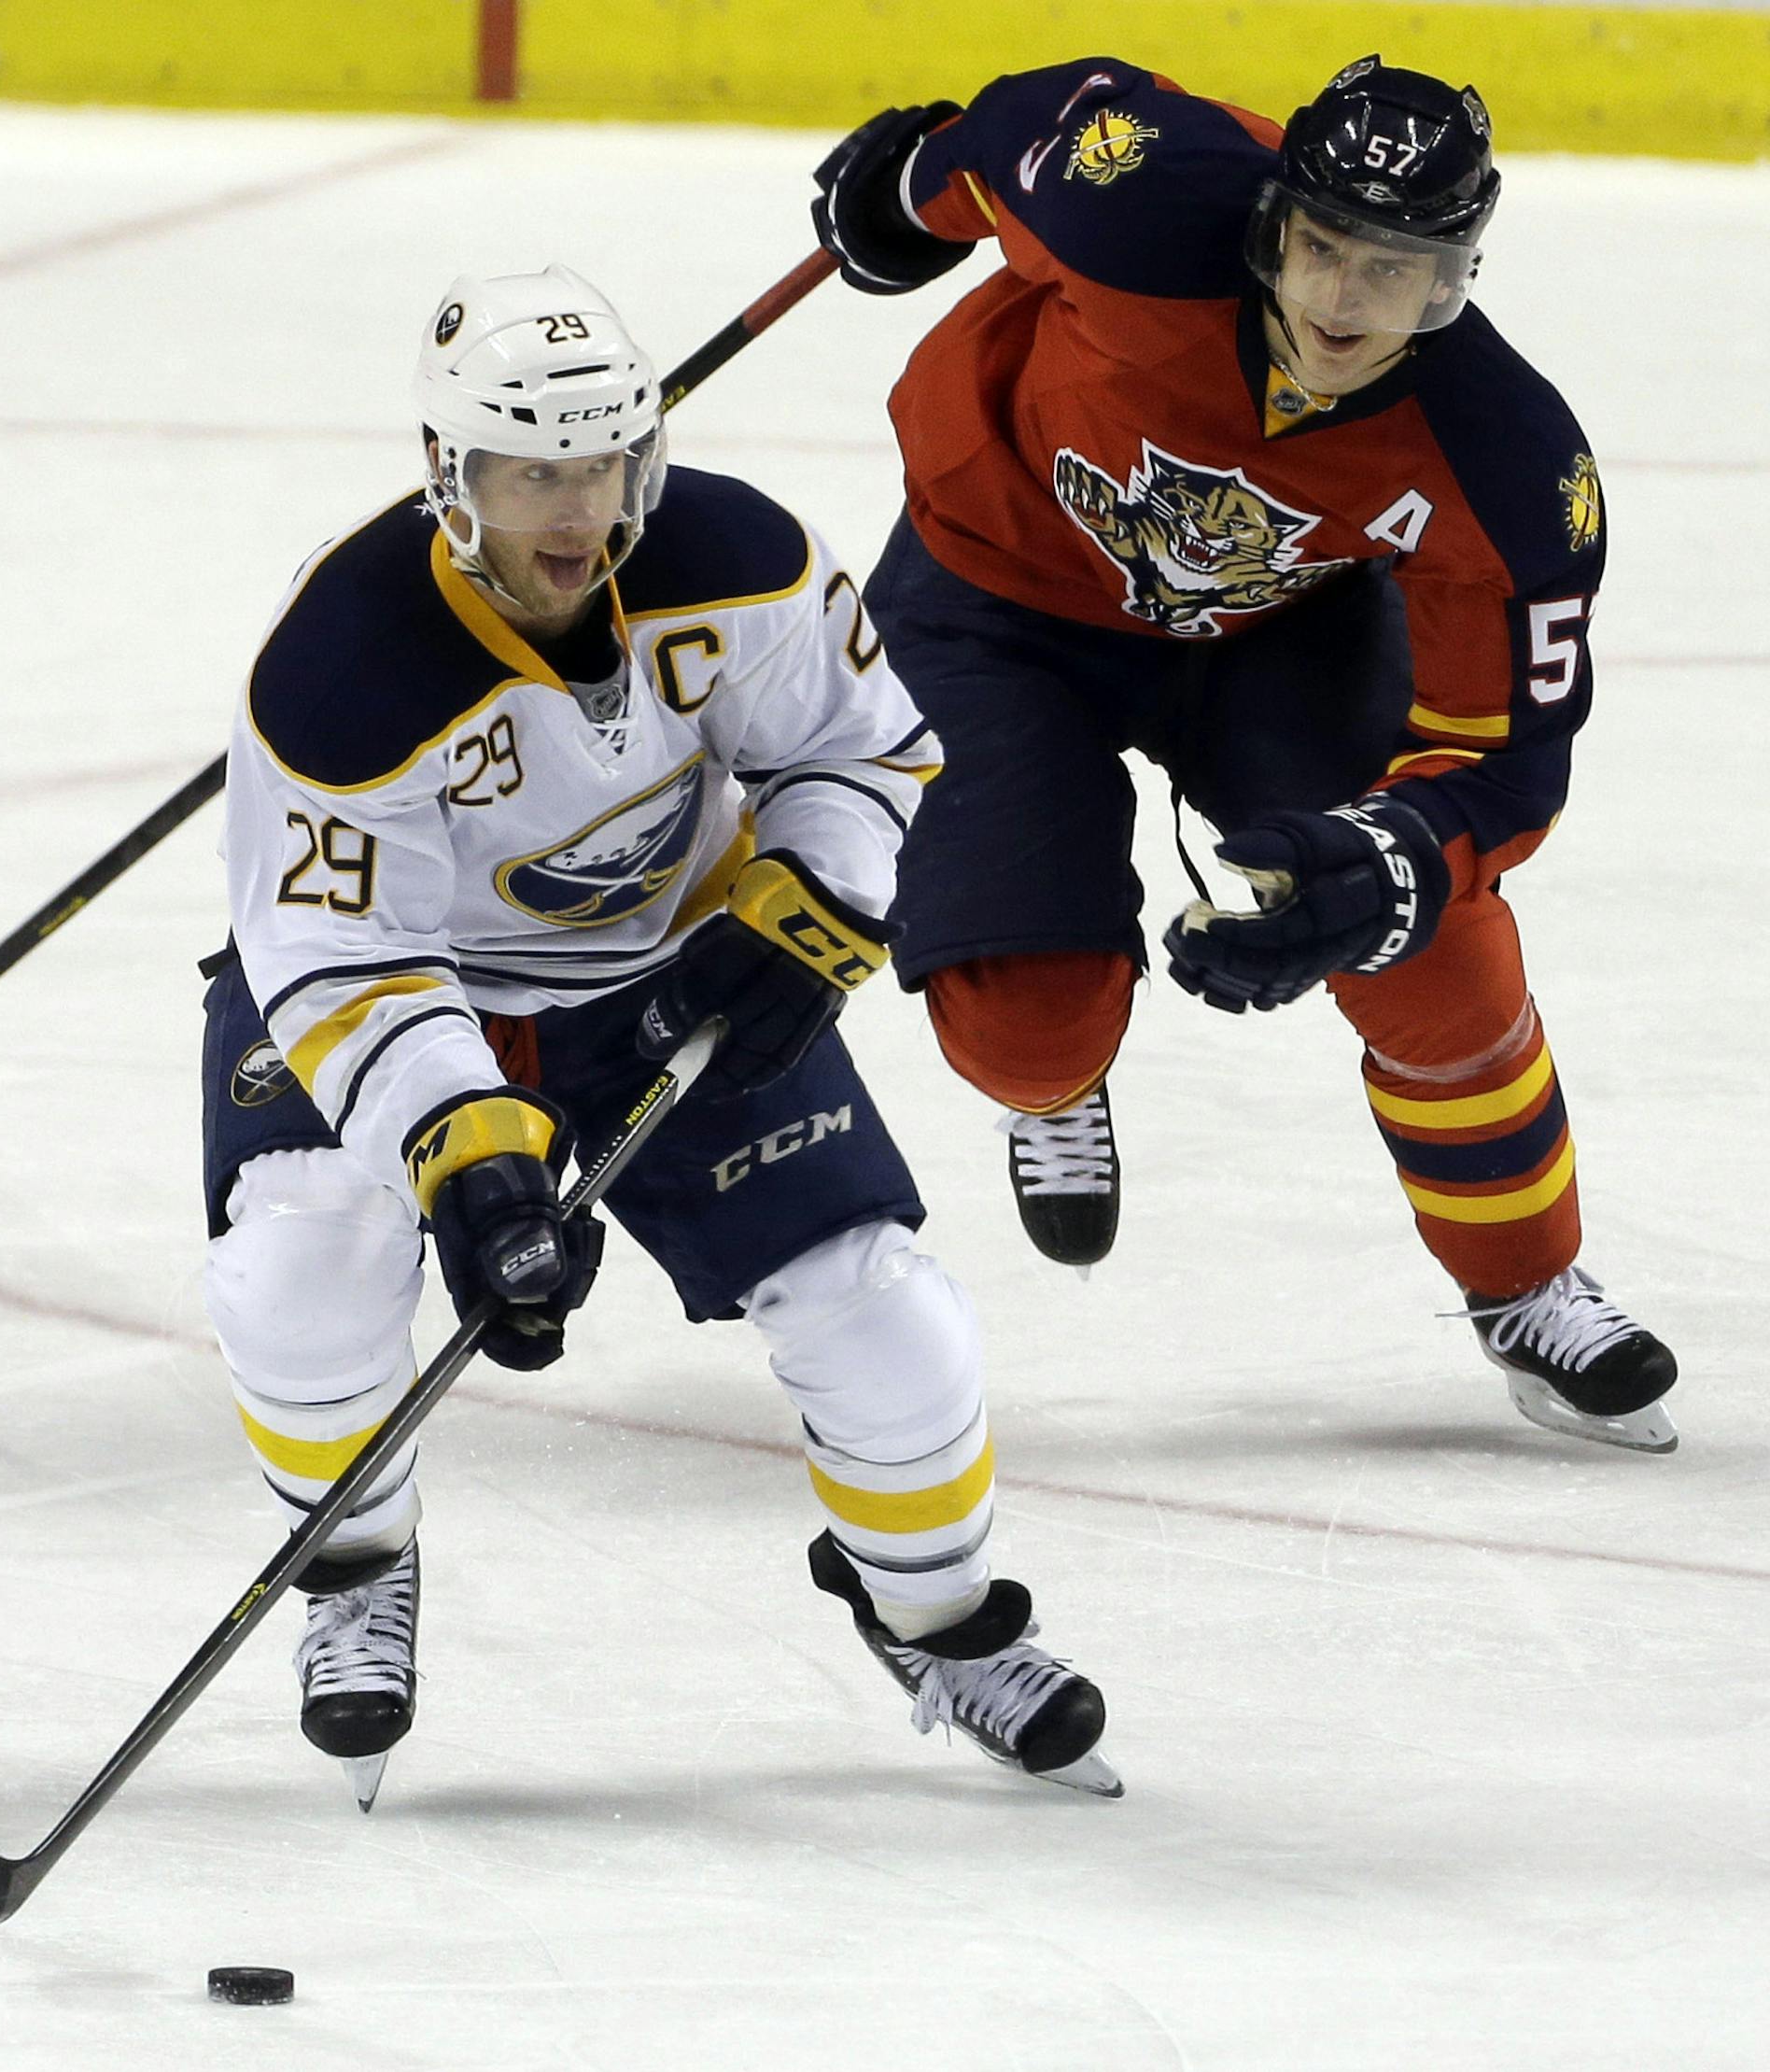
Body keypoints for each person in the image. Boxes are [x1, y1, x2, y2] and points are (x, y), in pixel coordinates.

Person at [196, 263, 1121, 1810]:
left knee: (888, 1321)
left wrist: (810, 903)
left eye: (609, 464)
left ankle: (938, 1620)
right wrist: (469, 1160)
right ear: (448, 473)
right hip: (416, 996)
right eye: (534, 474)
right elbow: (343, 959)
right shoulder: (342, 671)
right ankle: (352, 1561)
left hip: (674, 976)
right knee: (299, 1270)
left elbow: (862, 750)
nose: (581, 515)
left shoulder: (739, 561)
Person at [808, 54, 1679, 1454]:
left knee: (1428, 943)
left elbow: (1509, 767)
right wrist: (912, 192)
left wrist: (1390, 864)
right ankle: (1058, 1085)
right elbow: (1011, 131)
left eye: (1395, 272)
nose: (1343, 302)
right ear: (1273, 222)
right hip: (994, 594)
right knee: (1027, 1028)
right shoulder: (1141, 202)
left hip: (1280, 635)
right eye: (1325, 248)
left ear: (1454, 283)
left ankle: (1525, 1285)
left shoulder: (1512, 464)